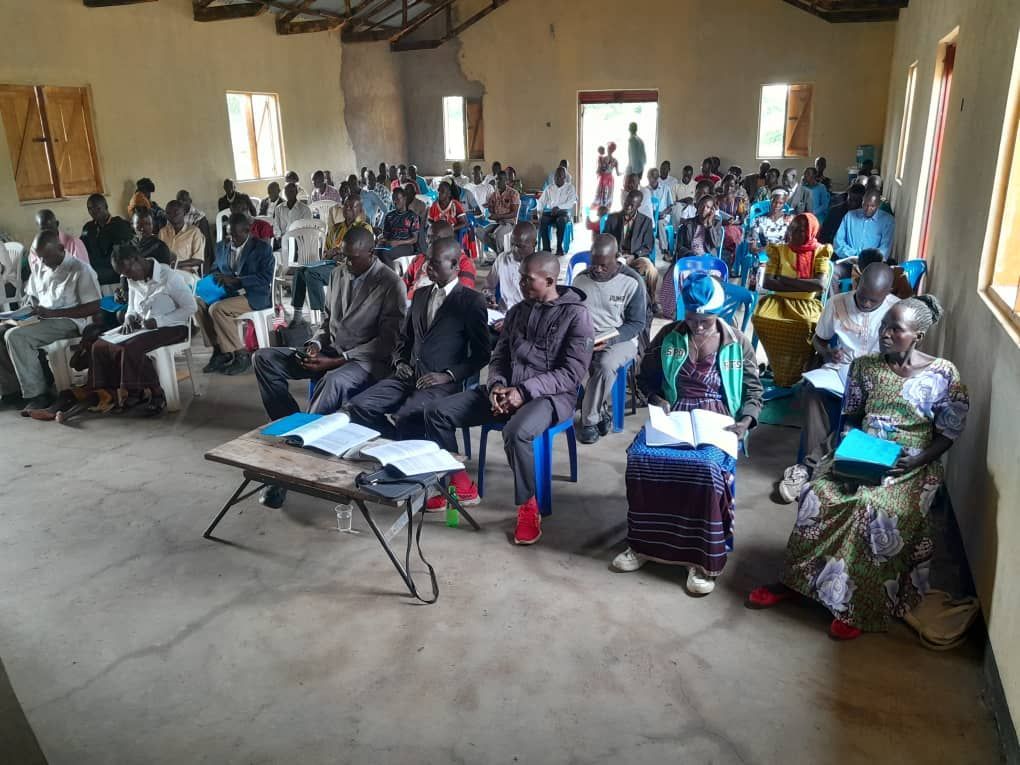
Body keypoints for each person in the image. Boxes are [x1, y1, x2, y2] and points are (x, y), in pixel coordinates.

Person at [747, 296, 967, 639]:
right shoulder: (865, 366)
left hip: (911, 463)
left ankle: (856, 603)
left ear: (918, 336)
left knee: (872, 507)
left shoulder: (944, 374)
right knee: (817, 494)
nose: (885, 334)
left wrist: (918, 459)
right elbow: (851, 415)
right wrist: (850, 439)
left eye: (896, 329)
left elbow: (948, 432)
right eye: (884, 326)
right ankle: (796, 581)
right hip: (863, 453)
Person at [423, 252, 594, 545]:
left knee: (517, 432)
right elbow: (500, 356)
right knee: (436, 411)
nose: (520, 283)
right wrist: (497, 386)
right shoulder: (516, 312)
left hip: (550, 397)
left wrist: (523, 392)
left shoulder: (576, 316)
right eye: (520, 277)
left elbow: (571, 373)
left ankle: (528, 505)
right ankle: (459, 484)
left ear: (549, 280)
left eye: (528, 279)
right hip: (507, 390)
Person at [612, 273, 761, 595]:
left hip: (718, 416)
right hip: (675, 413)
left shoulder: (737, 342)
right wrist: (655, 398)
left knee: (706, 468)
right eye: (692, 320)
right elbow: (646, 378)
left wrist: (746, 420)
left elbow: (753, 391)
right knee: (641, 458)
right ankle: (643, 545)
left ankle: (701, 560)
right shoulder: (669, 335)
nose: (698, 327)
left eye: (705, 321)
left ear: (718, 314)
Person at [253, 228, 407, 508]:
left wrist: (338, 360)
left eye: (352, 257)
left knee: (333, 381)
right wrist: (314, 344)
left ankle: (287, 470)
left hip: (365, 361)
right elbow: (326, 321)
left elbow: (388, 342)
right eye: (343, 256)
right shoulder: (338, 274)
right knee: (264, 359)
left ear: (370, 253)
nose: (346, 262)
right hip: (331, 349)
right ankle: (294, 430)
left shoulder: (389, 283)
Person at [348, 236, 489, 449]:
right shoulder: (421, 295)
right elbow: (404, 339)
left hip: (441, 383)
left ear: (455, 265)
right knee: (358, 406)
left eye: (434, 262)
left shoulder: (470, 301)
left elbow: (481, 354)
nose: (426, 267)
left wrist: (448, 375)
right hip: (409, 376)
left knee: (406, 416)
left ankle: (412, 453)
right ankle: (397, 445)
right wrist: (400, 362)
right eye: (427, 260)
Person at [777, 263, 898, 502]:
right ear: (857, 283)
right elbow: (819, 340)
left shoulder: (896, 311)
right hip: (840, 370)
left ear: (888, 293)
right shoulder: (837, 303)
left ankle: (809, 468)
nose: (866, 304)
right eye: (862, 297)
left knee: (863, 409)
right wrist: (827, 353)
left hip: (876, 376)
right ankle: (812, 470)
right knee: (813, 394)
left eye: (873, 301)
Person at [61, 243, 196, 417]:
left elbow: (190, 308)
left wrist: (159, 321)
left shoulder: (169, 277)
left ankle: (157, 392)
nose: (127, 277)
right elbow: (132, 307)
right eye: (123, 274)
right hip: (144, 327)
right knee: (101, 345)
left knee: (132, 347)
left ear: (137, 260)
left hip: (173, 326)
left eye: (128, 271)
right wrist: (129, 318)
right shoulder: (132, 278)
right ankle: (127, 392)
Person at [0, 230, 101, 413]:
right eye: (39, 256)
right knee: (2, 331)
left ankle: (38, 394)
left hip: (69, 321)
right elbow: (32, 295)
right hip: (42, 317)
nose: (42, 261)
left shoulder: (80, 269)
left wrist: (54, 313)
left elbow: (93, 306)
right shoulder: (41, 266)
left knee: (16, 337)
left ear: (60, 248)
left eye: (46, 256)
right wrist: (29, 307)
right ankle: (12, 390)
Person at [573, 235, 647, 444]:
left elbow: (637, 323)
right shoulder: (581, 280)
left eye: (603, 265)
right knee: (562, 358)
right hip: (587, 337)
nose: (597, 269)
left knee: (605, 364)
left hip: (620, 338)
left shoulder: (632, 282)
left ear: (617, 257)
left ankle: (589, 420)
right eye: (593, 264)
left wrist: (611, 340)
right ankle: (598, 408)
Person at [753, 213, 832, 388]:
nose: (793, 233)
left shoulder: (820, 251)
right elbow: (767, 282)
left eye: (800, 230)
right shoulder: (779, 250)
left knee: (806, 324)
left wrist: (784, 280)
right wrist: (804, 284)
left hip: (806, 305)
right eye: (792, 228)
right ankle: (777, 365)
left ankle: (796, 371)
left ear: (811, 232)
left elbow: (820, 284)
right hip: (779, 302)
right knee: (761, 318)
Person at [195, 213, 274, 376]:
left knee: (217, 309)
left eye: (236, 235)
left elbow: (265, 277)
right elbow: (216, 268)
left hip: (253, 294)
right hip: (227, 292)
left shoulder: (261, 248)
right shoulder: (222, 246)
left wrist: (238, 281)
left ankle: (241, 354)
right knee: (198, 303)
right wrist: (214, 279)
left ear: (247, 231)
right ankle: (219, 350)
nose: (231, 239)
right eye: (229, 234)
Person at [291, 196, 372, 327]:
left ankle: (325, 316)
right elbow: (326, 252)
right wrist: (330, 253)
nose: (347, 209)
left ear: (360, 210)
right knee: (300, 270)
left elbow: (363, 253)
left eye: (352, 207)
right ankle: (297, 314)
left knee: (312, 274)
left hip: (350, 268)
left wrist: (342, 252)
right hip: (332, 264)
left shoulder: (364, 228)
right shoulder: (336, 228)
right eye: (345, 206)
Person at [405, 221, 477, 298]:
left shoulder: (464, 263)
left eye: (436, 238)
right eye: (428, 237)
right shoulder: (419, 259)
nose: (430, 241)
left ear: (449, 239)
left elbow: (462, 296)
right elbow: (403, 285)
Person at [81, 194, 135, 290]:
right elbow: (82, 250)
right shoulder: (88, 228)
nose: (93, 212)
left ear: (106, 206)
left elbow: (121, 255)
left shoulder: (119, 225)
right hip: (94, 275)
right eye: (90, 209)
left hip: (114, 275)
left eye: (98, 208)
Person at [484, 222, 537, 314]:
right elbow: (488, 285)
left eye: (520, 246)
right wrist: (489, 296)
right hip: (504, 314)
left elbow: (541, 306)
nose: (514, 250)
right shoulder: (502, 259)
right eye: (512, 244)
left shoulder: (541, 267)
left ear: (534, 244)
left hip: (527, 317)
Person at [834, 189, 896, 261]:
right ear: (862, 202)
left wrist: (866, 259)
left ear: (879, 205)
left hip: (872, 264)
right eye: (865, 205)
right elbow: (838, 242)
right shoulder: (849, 216)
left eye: (872, 206)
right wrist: (853, 254)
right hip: (848, 260)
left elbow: (884, 250)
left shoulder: (887, 221)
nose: (868, 209)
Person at [159, 200, 205, 282]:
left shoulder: (194, 232)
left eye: (176, 212)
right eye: (169, 213)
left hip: (187, 274)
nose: (172, 215)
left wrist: (175, 265)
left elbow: (198, 259)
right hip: (166, 273)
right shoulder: (163, 232)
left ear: (184, 213)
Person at [536, 166, 577, 255]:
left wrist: (558, 207)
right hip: (551, 212)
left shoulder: (570, 188)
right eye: (555, 176)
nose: (556, 178)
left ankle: (559, 247)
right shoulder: (549, 188)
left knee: (561, 220)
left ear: (564, 177)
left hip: (563, 213)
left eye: (559, 176)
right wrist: (539, 213)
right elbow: (541, 201)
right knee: (542, 220)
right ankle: (546, 248)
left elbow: (570, 203)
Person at [378, 186, 421, 267]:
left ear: (404, 199)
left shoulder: (412, 216)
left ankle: (392, 274)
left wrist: (398, 242)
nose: (395, 202)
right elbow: (386, 235)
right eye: (393, 199)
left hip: (406, 246)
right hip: (391, 244)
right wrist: (381, 240)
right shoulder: (389, 216)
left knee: (385, 253)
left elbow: (414, 239)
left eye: (397, 199)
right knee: (374, 252)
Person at [483, 172, 522, 254]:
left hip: (509, 223)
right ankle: (500, 253)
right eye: (496, 179)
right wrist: (490, 209)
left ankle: (500, 255)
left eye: (500, 179)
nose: (497, 181)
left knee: (498, 234)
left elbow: (514, 213)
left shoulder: (513, 193)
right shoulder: (494, 194)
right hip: (497, 222)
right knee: (481, 232)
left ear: (506, 180)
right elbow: (490, 210)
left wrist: (498, 217)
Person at [175, 190, 215, 269]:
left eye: (184, 200)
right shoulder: (175, 215)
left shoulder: (199, 216)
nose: (181, 202)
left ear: (190, 201)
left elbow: (204, 240)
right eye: (179, 200)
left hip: (193, 249)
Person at [748, 188, 793, 258]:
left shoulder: (788, 221)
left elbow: (791, 243)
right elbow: (752, 248)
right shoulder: (759, 221)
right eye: (774, 202)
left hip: (782, 256)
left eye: (780, 203)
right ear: (770, 201)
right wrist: (762, 250)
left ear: (784, 204)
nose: (777, 205)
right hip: (765, 256)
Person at [643, 167, 674, 253]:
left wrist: (664, 213)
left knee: (660, 223)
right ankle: (645, 249)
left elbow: (671, 205)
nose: (650, 179)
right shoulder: (645, 190)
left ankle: (664, 249)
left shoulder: (665, 188)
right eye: (649, 177)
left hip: (662, 216)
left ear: (657, 178)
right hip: (650, 216)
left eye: (653, 177)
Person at [715, 175, 747, 255]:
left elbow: (742, 220)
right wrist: (722, 222)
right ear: (722, 186)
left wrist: (732, 222)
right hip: (718, 224)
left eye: (731, 186)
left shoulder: (739, 201)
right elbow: (713, 215)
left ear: (735, 187)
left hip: (734, 226)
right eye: (726, 186)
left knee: (730, 233)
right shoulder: (716, 199)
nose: (729, 188)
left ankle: (731, 255)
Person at [595, 143, 620, 208]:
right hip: (608, 178)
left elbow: (598, 170)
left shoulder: (602, 159)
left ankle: (603, 208)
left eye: (609, 148)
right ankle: (604, 208)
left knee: (604, 195)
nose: (609, 149)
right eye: (609, 148)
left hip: (605, 178)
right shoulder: (615, 160)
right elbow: (618, 173)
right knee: (607, 195)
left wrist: (599, 171)